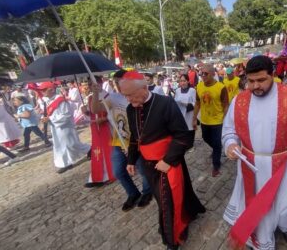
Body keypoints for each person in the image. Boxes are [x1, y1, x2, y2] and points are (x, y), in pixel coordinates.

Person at [222, 56, 287, 249]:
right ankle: (262, 240)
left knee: (285, 205)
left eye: (261, 80)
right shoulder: (239, 101)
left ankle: (285, 227)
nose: (255, 86)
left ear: (273, 75)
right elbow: (229, 130)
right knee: (259, 210)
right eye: (251, 81)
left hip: (285, 164)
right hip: (251, 167)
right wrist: (230, 144)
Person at [119, 71, 205, 250]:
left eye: (130, 95)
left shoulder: (165, 103)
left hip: (168, 163)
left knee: (168, 200)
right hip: (148, 165)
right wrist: (131, 160)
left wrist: (168, 160)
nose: (128, 99)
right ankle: (186, 215)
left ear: (144, 88)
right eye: (124, 95)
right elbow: (135, 138)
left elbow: (182, 136)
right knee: (162, 198)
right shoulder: (130, 109)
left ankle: (172, 239)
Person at [90, 70, 152, 211]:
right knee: (118, 171)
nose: (118, 84)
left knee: (142, 169)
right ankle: (133, 193)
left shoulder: (136, 96)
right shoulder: (112, 98)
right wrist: (95, 93)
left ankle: (147, 192)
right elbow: (95, 109)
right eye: (115, 82)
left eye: (120, 81)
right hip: (119, 141)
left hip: (136, 141)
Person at [38, 82, 90, 173]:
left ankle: (89, 149)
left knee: (71, 144)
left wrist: (50, 118)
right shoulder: (48, 101)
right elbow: (49, 113)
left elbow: (66, 115)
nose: (42, 92)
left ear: (50, 89)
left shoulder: (60, 100)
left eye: (43, 90)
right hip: (56, 127)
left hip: (65, 126)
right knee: (60, 146)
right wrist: (45, 119)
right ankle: (65, 163)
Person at [193, 64, 229, 177]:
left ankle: (216, 165)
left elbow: (226, 104)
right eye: (201, 73)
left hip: (218, 121)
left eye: (205, 74)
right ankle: (216, 149)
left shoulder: (221, 87)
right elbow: (198, 103)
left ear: (213, 74)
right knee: (205, 138)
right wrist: (194, 118)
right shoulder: (198, 86)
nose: (203, 76)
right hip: (204, 120)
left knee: (217, 143)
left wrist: (225, 118)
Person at [82, 79, 115, 188]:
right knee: (97, 152)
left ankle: (109, 175)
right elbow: (92, 114)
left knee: (107, 152)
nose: (91, 86)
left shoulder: (107, 96)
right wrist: (85, 112)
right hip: (96, 128)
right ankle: (96, 177)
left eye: (94, 84)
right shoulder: (91, 97)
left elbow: (113, 113)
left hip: (106, 127)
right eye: (90, 84)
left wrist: (105, 118)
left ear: (100, 83)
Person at [174, 74, 196, 147]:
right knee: (182, 129)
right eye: (181, 81)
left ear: (188, 81)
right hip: (180, 114)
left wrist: (186, 104)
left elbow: (195, 103)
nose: (182, 83)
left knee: (190, 128)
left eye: (184, 81)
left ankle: (190, 144)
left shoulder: (192, 90)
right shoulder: (177, 91)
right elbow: (175, 101)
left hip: (189, 113)